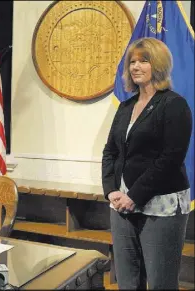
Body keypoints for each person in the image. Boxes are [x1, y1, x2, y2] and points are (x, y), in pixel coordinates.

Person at [102, 37, 192, 290]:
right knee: (128, 281)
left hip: (160, 205)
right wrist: (111, 190)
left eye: (144, 60)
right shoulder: (126, 105)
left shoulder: (174, 104)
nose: (135, 66)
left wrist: (135, 195)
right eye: (132, 61)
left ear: (159, 65)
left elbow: (170, 158)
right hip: (121, 204)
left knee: (161, 282)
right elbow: (110, 151)